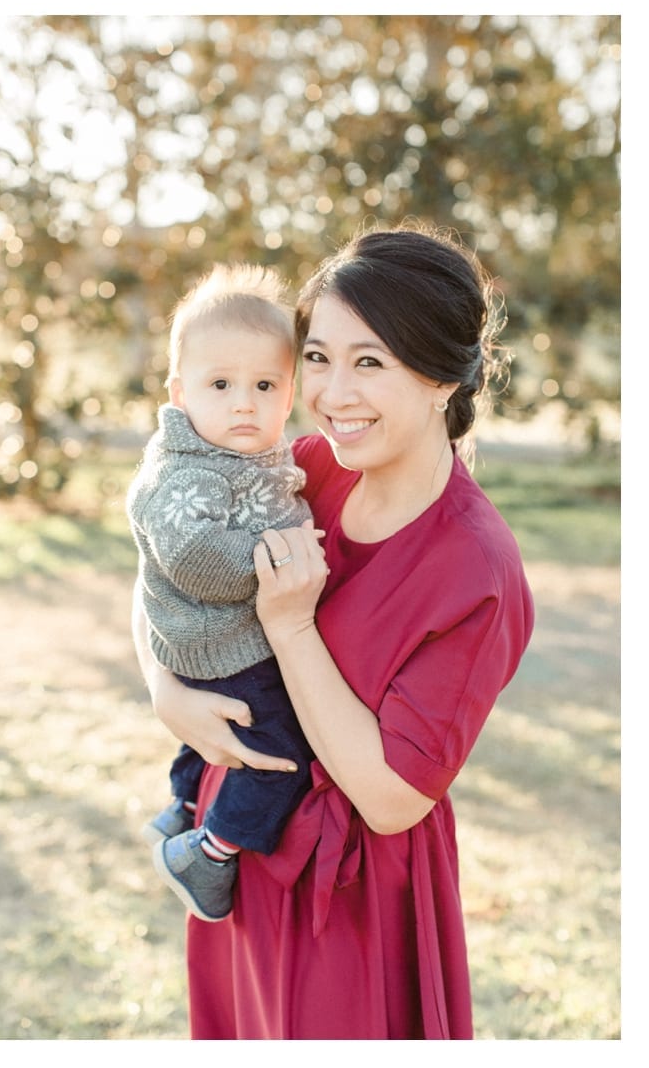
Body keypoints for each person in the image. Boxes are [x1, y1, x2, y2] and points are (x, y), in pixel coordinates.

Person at [133, 223, 534, 1038]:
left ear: (440, 381)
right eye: (317, 356)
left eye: (371, 362)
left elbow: (391, 798)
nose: (333, 393)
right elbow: (164, 570)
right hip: (238, 856)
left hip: (350, 908)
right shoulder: (305, 467)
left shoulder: (474, 569)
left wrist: (290, 627)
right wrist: (165, 690)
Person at [126, 263, 315, 922]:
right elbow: (193, 553)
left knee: (218, 729)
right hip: (221, 641)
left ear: (289, 391)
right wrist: (280, 558)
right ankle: (208, 851)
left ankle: (180, 804)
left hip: (213, 641)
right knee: (279, 750)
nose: (245, 402)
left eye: (265, 384)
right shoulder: (187, 470)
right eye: (222, 384)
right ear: (181, 393)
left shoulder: (243, 453)